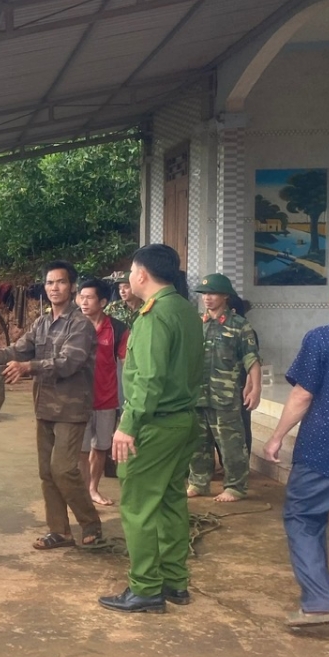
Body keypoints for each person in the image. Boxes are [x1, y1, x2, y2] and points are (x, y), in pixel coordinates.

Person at [0, 261, 102, 550]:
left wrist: (28, 367)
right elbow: (15, 350)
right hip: (44, 406)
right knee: (47, 473)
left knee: (63, 470)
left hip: (71, 408)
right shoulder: (42, 323)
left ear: (71, 287)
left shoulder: (80, 325)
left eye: (60, 282)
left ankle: (91, 524)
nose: (54, 287)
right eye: (49, 282)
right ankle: (59, 532)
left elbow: (69, 362)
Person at [101, 244, 203, 614]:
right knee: (172, 501)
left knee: (139, 507)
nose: (128, 278)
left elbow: (148, 378)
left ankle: (145, 588)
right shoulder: (187, 311)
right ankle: (175, 581)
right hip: (184, 421)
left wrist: (127, 426)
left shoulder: (154, 316)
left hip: (156, 424)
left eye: (130, 271)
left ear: (142, 274)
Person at [264, 265, 329, 628]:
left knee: (303, 518)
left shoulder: (322, 337)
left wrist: (276, 436)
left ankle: (320, 601)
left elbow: (303, 393)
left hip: (324, 451)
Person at [187, 273, 261, 503]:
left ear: (225, 296)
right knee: (198, 443)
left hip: (226, 396)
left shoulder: (239, 325)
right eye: (204, 294)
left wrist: (255, 388)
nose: (207, 298)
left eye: (213, 293)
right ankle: (198, 482)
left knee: (231, 444)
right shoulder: (197, 323)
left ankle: (236, 486)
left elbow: (252, 359)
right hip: (198, 394)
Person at [76, 278, 128, 508]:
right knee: (81, 450)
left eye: (89, 297)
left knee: (100, 448)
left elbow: (127, 365)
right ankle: (82, 496)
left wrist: (127, 401)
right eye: (81, 297)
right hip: (79, 399)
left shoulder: (117, 329)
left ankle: (93, 489)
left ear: (103, 301)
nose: (83, 302)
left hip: (108, 399)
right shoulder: (73, 326)